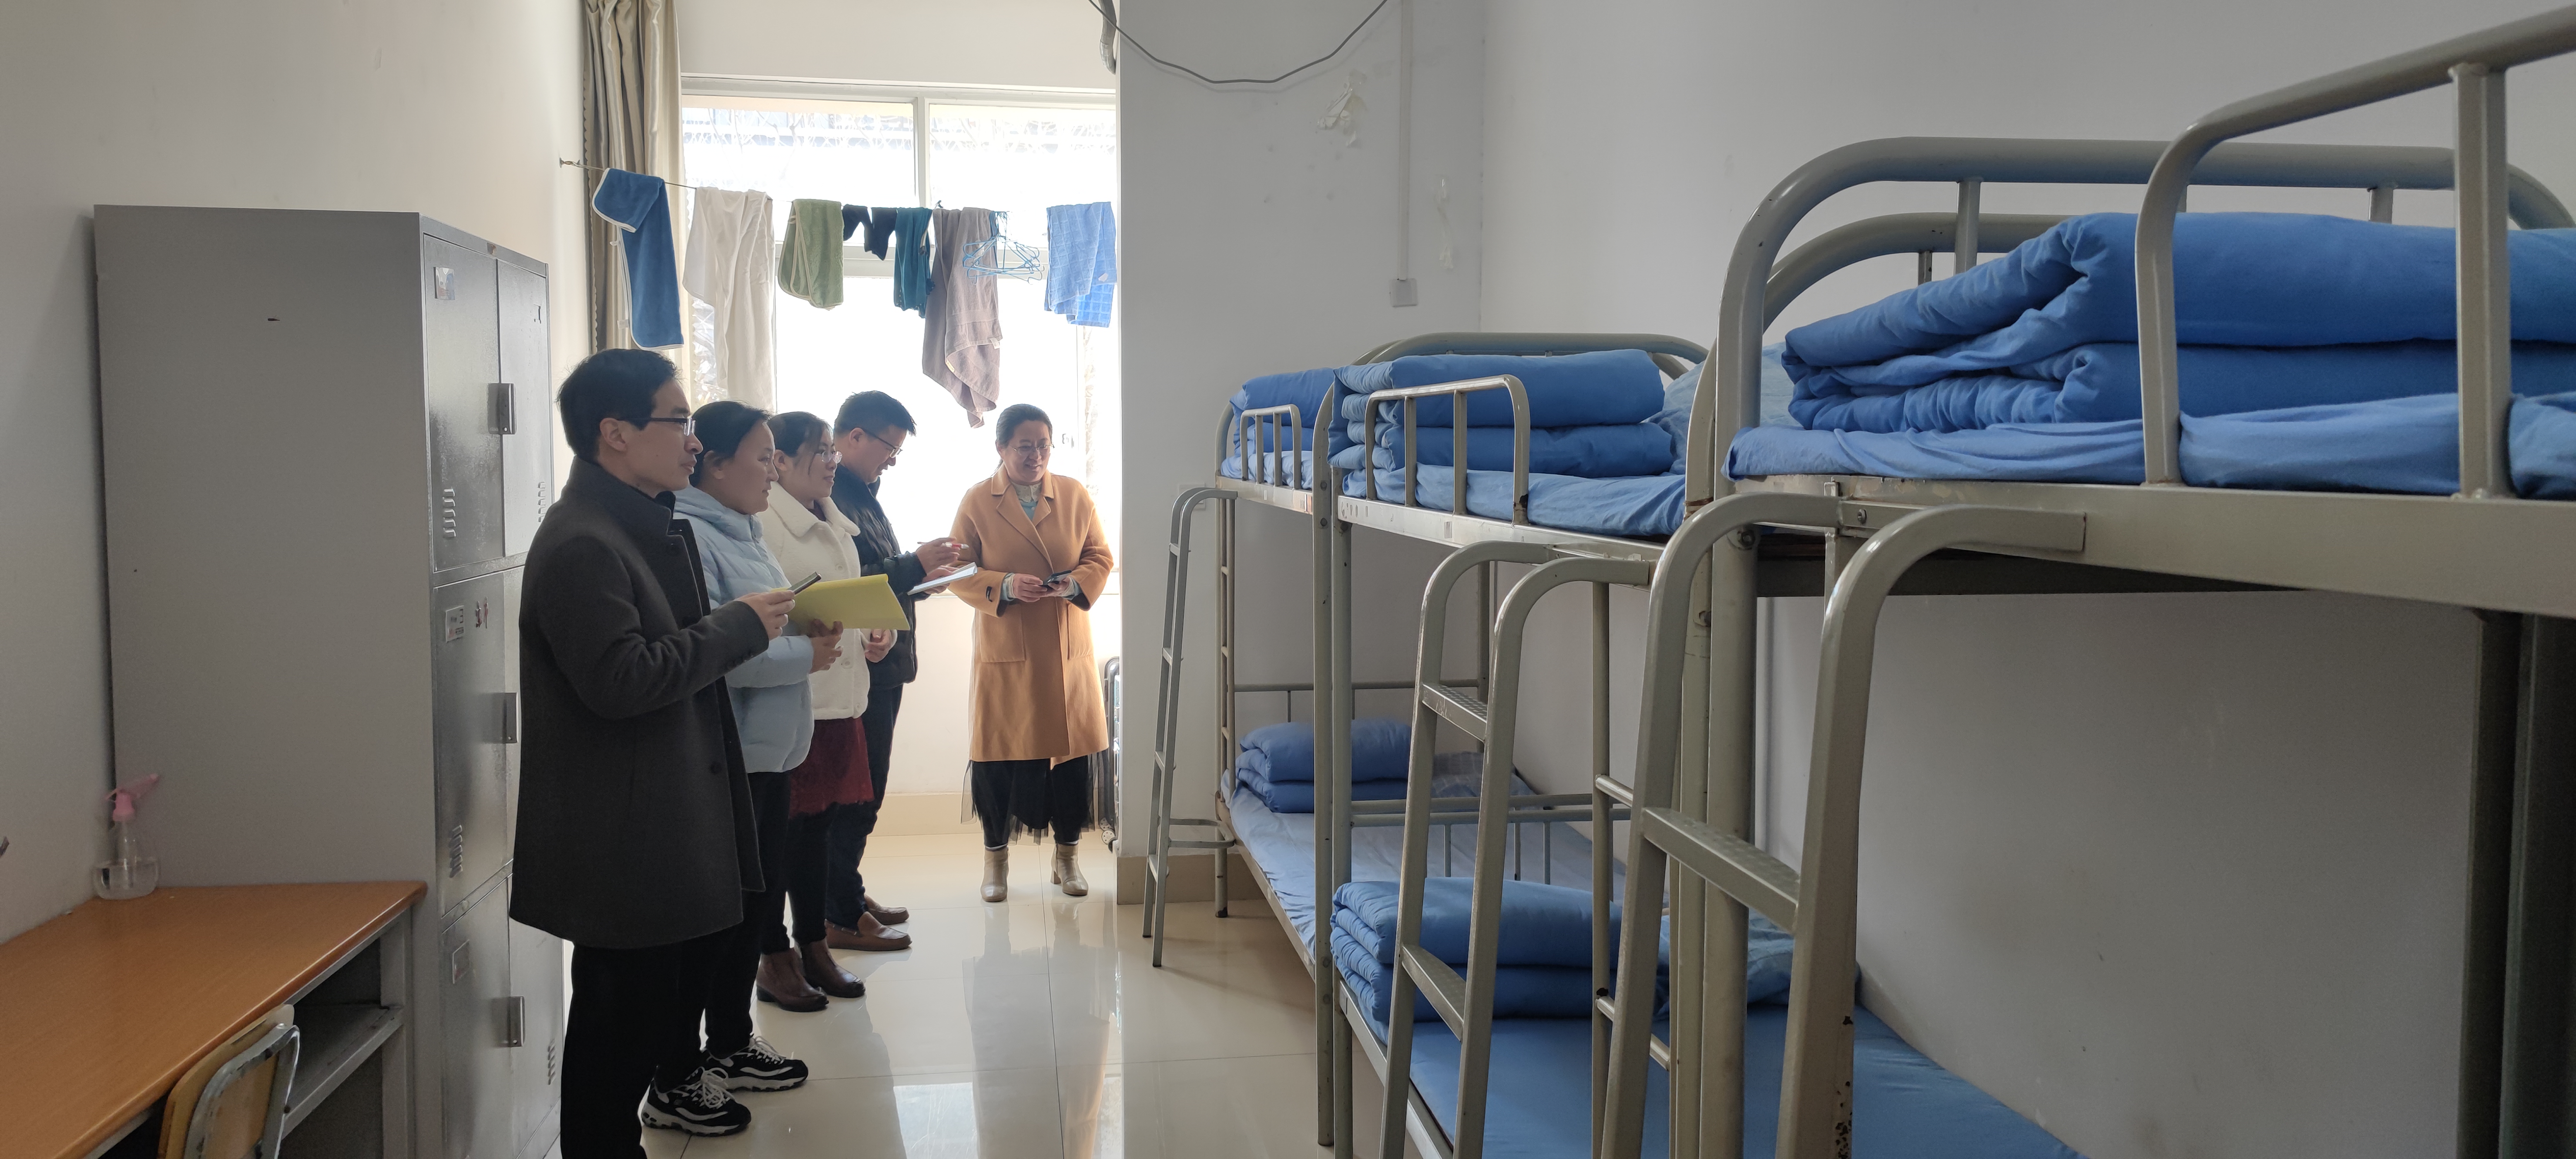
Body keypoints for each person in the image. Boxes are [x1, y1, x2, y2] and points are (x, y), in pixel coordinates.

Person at [510, 349, 793, 1157]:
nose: (694, 441)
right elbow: (622, 680)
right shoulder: (584, 543)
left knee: (636, 1021)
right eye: (679, 421)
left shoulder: (636, 524)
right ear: (617, 433)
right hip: (623, 833)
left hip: (656, 818)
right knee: (617, 1031)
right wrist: (737, 626)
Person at [665, 401, 836, 1121]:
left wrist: (810, 628)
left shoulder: (743, 527)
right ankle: (682, 1066)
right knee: (718, 920)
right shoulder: (689, 534)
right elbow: (726, 653)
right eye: (762, 457)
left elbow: (762, 625)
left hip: (770, 755)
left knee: (752, 908)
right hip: (728, 759)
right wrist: (807, 653)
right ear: (714, 464)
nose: (773, 470)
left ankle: (732, 1042)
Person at [948, 403, 1114, 901]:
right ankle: (995, 865)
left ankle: (1067, 860)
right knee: (998, 762)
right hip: (1007, 649)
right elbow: (955, 570)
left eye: (1044, 445)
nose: (1036, 455)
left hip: (1065, 648)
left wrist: (1073, 583)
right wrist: (1004, 585)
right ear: (1001, 448)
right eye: (1025, 446)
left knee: (1069, 763)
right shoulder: (977, 501)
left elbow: (1100, 556)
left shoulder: (1074, 495)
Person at [824, 391, 971, 949]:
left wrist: (921, 580)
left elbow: (873, 574)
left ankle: (846, 892)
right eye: (890, 448)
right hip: (861, 669)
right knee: (855, 796)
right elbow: (847, 579)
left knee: (867, 792)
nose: (892, 460)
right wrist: (913, 564)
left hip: (883, 663)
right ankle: (838, 913)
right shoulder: (831, 496)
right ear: (854, 437)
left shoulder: (862, 494)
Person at [756, 410, 881, 1003]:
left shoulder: (834, 518)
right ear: (779, 462)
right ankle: (775, 953)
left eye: (833, 450)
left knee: (819, 831)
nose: (833, 461)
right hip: (796, 699)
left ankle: (813, 944)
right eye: (821, 451)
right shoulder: (765, 524)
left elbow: (845, 598)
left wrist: (877, 632)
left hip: (840, 699)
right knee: (783, 835)